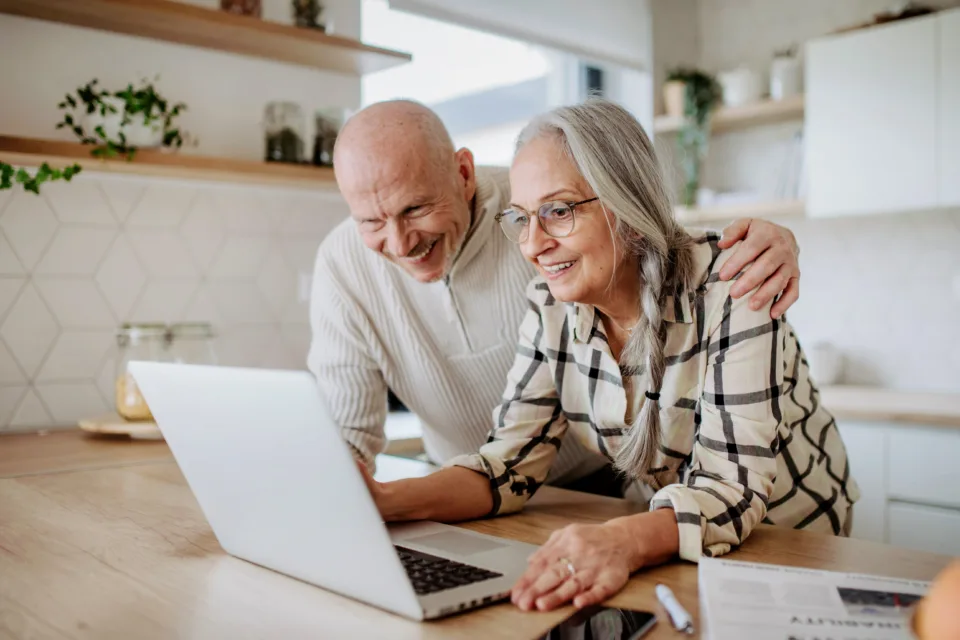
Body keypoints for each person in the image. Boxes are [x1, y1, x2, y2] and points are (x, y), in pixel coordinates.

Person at [352, 99, 859, 612]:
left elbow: (730, 488)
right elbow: (508, 464)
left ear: (628, 208)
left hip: (794, 545)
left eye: (558, 211)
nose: (532, 244)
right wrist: (383, 501)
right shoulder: (549, 307)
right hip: (683, 545)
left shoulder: (732, 283)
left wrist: (621, 540)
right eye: (522, 218)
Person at [310, 99, 803, 495]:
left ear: (463, 174)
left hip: (618, 486)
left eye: (416, 208)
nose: (398, 244)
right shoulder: (545, 296)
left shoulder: (537, 196)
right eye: (371, 222)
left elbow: (647, 237)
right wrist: (366, 500)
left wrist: (770, 240)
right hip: (489, 487)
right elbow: (503, 460)